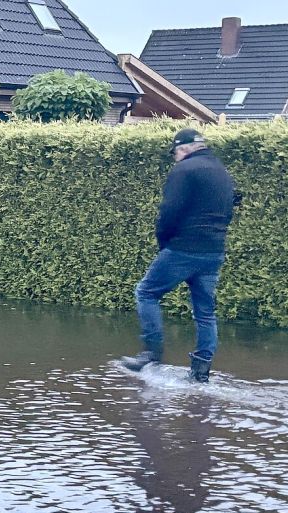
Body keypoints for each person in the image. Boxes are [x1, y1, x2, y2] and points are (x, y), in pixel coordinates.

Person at [120, 129, 236, 383]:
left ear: (182, 149)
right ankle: (201, 371)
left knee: (146, 292)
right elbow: (229, 211)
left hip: (183, 248)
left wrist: (164, 244)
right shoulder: (222, 172)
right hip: (213, 251)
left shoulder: (184, 170)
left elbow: (169, 212)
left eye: (175, 153)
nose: (175, 158)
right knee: (205, 312)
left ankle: (151, 354)